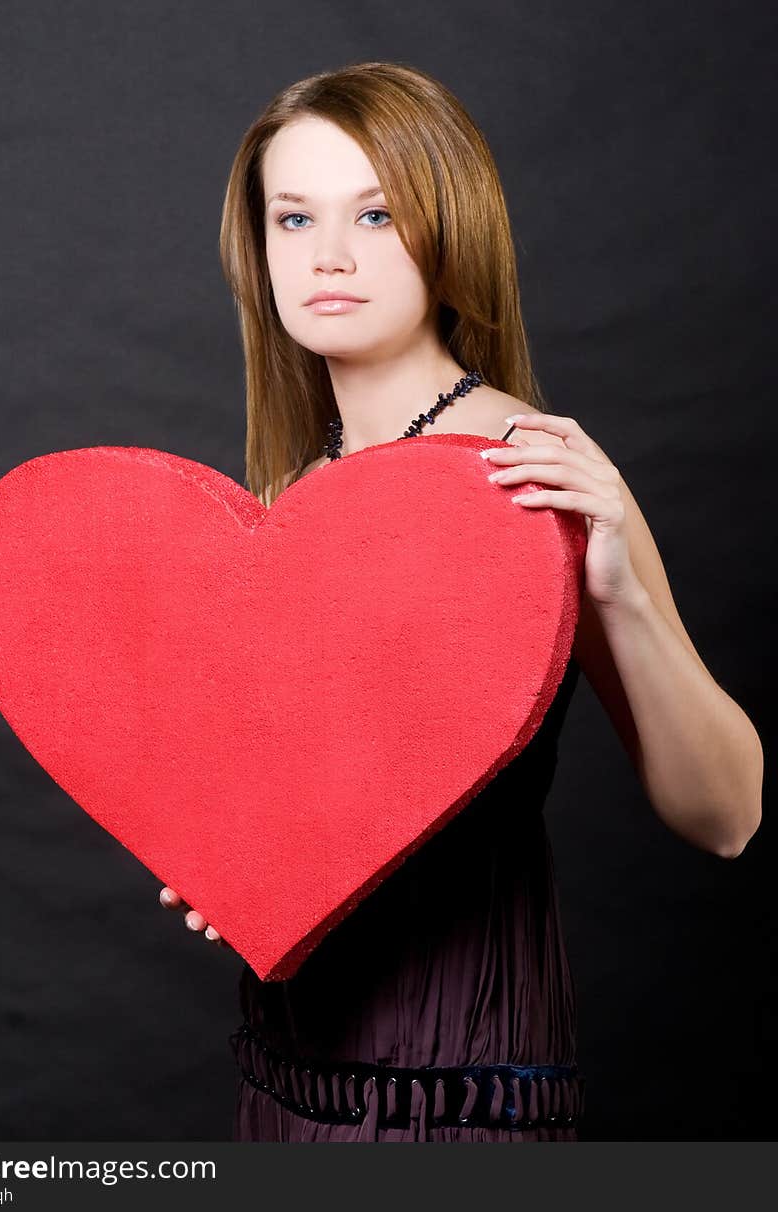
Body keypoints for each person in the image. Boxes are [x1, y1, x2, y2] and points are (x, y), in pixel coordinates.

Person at [159, 61, 763, 1141]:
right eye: (292, 217)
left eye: (377, 214)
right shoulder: (284, 501)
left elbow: (726, 818)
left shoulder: (530, 474)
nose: (328, 256)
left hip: (461, 1085)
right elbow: (305, 805)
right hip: (282, 1080)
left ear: (448, 230)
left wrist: (617, 588)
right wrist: (223, 861)